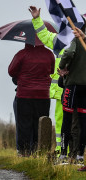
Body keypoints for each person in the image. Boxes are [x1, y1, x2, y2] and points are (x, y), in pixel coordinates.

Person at [30, 6, 83, 163]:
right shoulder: (59, 39)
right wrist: (36, 18)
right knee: (62, 121)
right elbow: (43, 34)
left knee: (78, 121)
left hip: (78, 88)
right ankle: (62, 150)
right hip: (62, 89)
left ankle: (77, 151)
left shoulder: (82, 41)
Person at [8, 43, 55, 156]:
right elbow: (51, 71)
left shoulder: (22, 54)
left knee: (23, 124)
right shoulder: (49, 54)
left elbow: (11, 71)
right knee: (39, 125)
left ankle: (24, 152)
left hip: (24, 94)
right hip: (43, 95)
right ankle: (37, 151)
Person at [58, 27, 86, 167]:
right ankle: (80, 156)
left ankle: (63, 154)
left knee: (67, 121)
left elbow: (69, 52)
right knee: (83, 122)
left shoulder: (77, 40)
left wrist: (62, 67)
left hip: (73, 85)